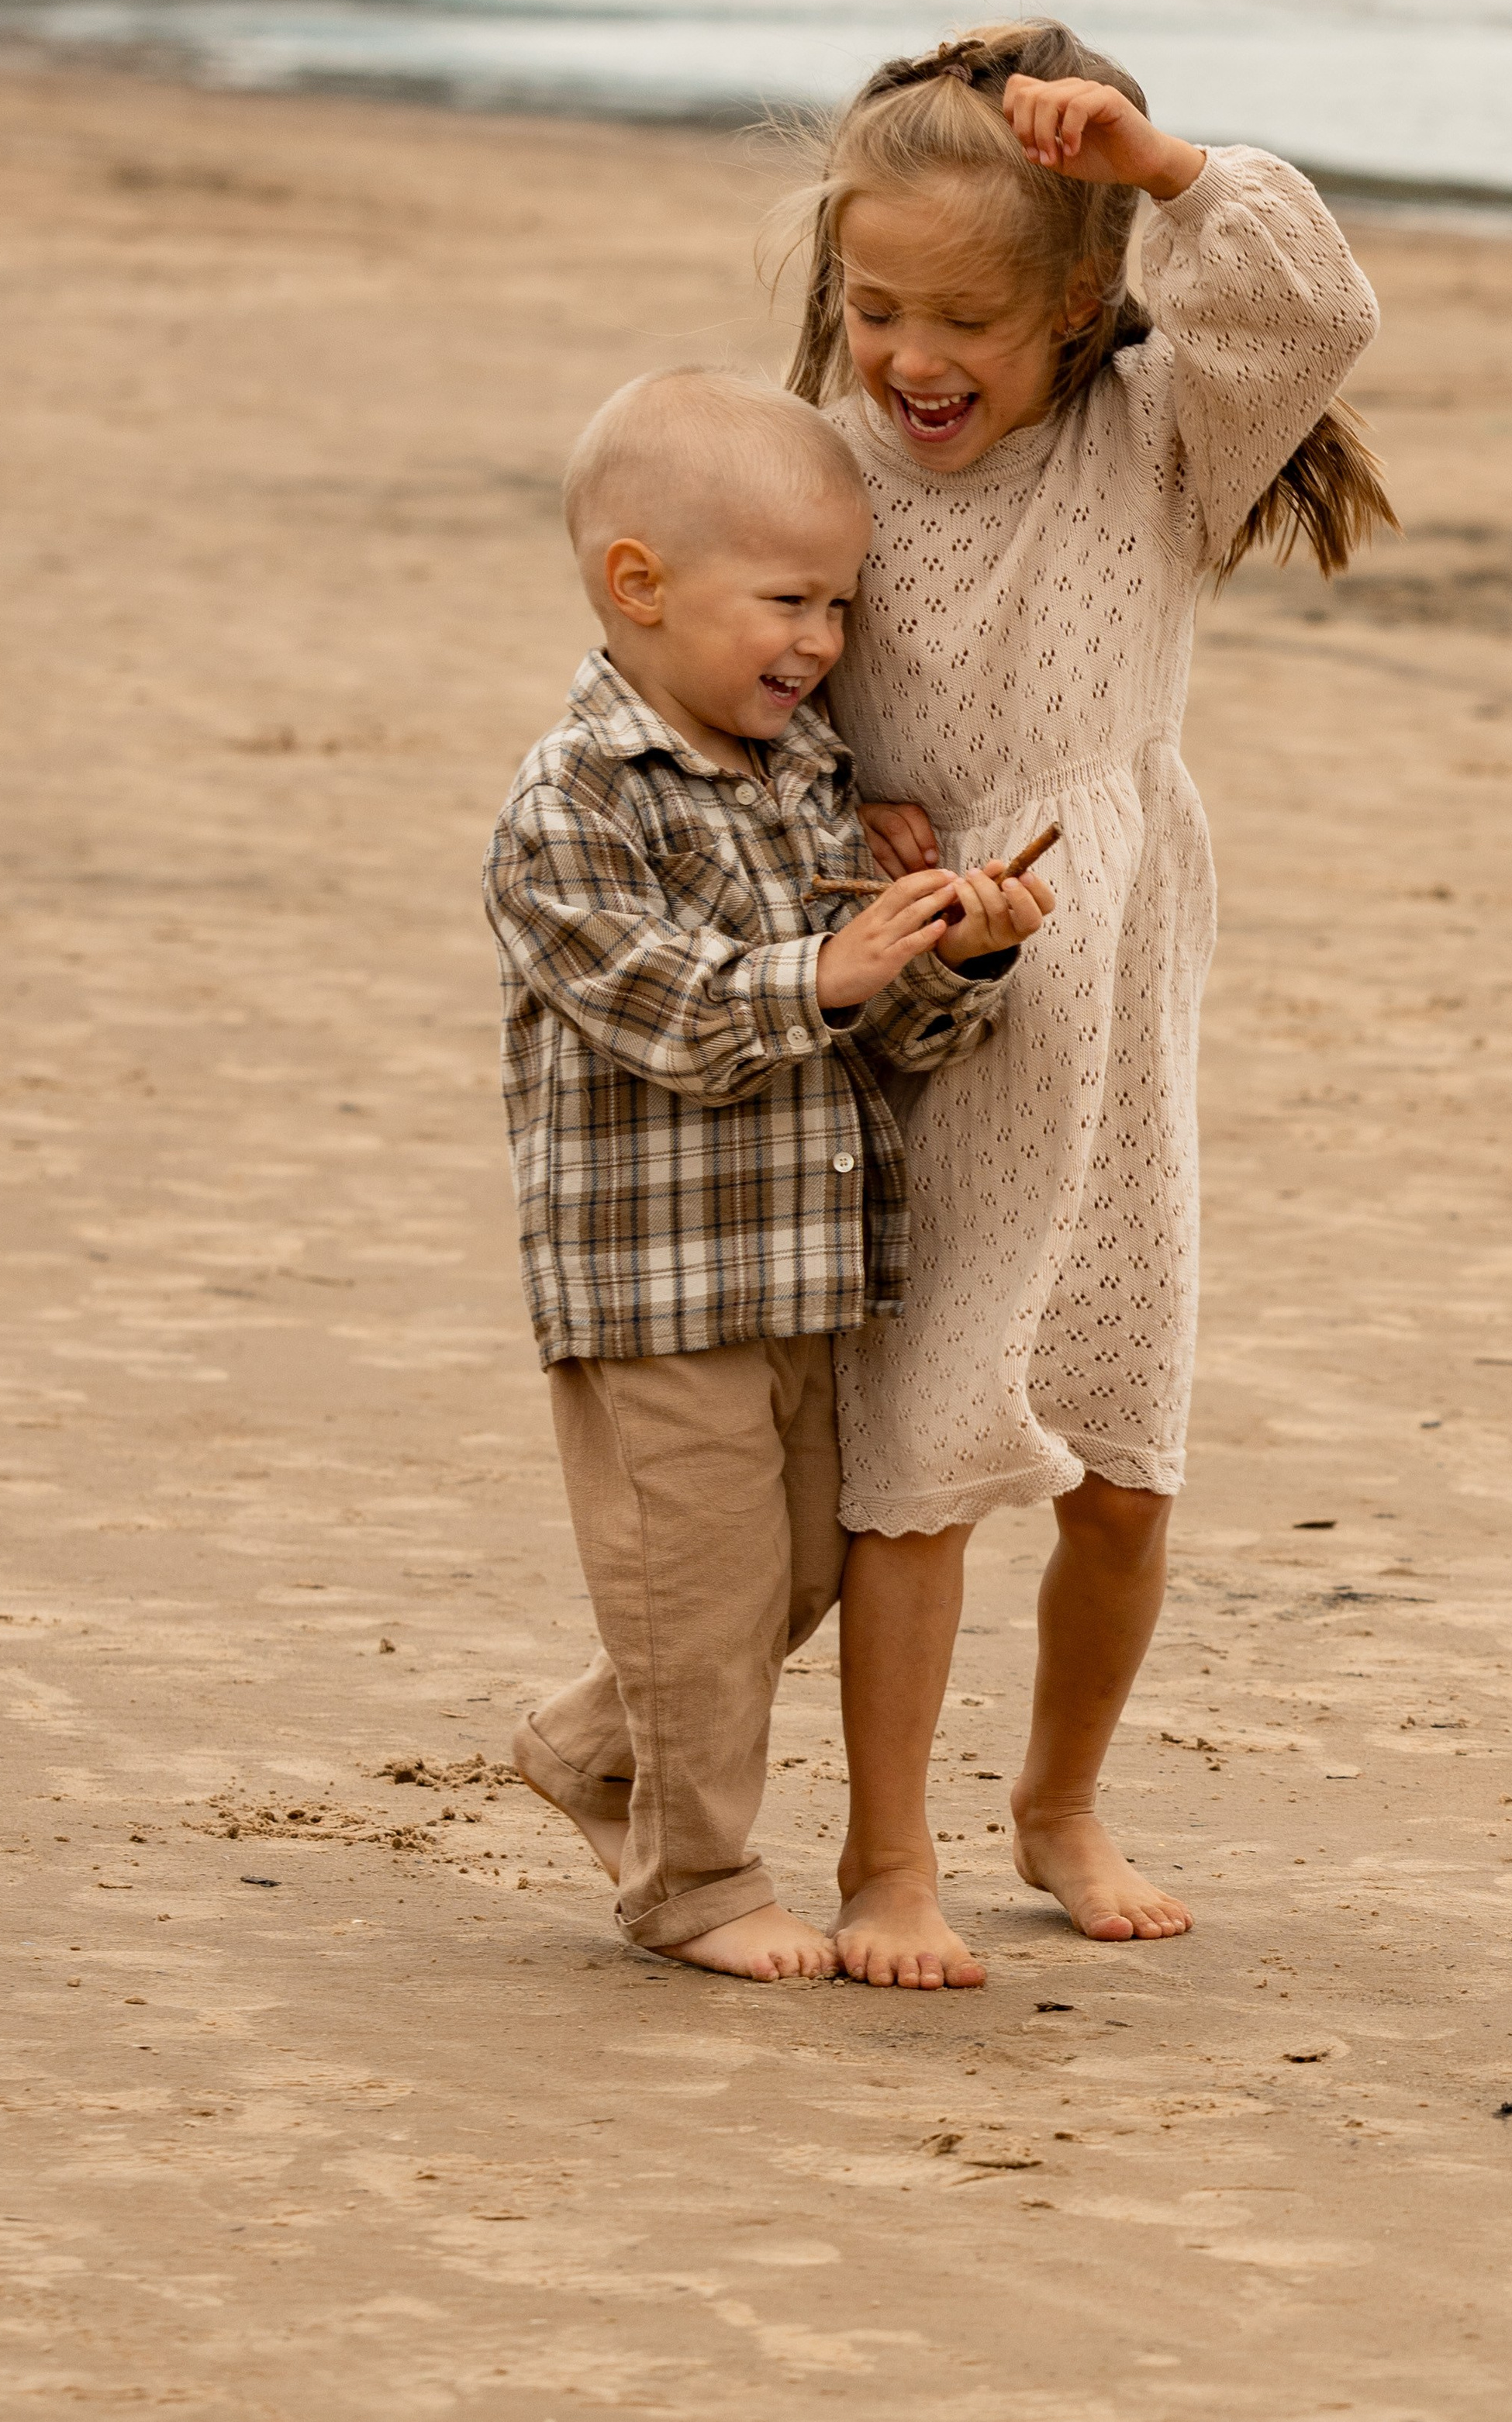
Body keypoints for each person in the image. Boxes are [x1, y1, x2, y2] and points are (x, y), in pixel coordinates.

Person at [774, 19, 1388, 1988]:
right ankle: (888, 1858)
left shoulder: (1161, 449)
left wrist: (1156, 166)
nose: (913, 357)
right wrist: (831, 804)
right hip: (926, 1009)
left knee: (1121, 1460)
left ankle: (1059, 1799)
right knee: (924, 1452)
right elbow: (709, 672)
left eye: (965, 314)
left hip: (1111, 1004)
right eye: (876, 308)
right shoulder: (822, 474)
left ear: (1076, 310)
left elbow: (1311, 307)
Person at [483, 366, 1053, 1981]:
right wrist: (825, 969)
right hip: (654, 1280)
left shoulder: (803, 774)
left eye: (839, 607)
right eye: (787, 602)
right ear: (638, 585)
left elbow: (878, 1039)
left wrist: (956, 959)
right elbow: (663, 1011)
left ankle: (599, 1746)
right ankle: (694, 1882)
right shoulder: (572, 802)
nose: (819, 643)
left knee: (792, 1567)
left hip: (803, 1263)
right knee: (704, 1575)